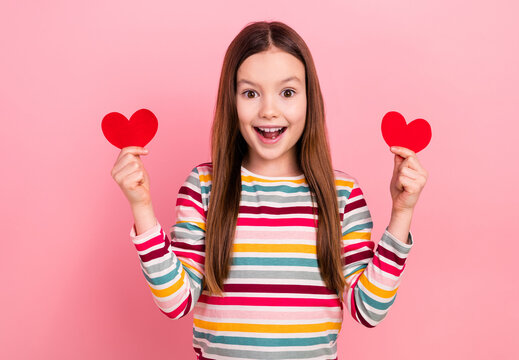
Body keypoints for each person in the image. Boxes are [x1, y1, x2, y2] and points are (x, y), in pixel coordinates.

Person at [111, 20, 428, 360]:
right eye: (250, 93)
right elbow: (176, 303)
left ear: (310, 99)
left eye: (287, 93)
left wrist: (402, 213)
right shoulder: (204, 186)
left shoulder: (342, 194)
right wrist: (141, 207)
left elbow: (368, 309)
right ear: (231, 101)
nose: (269, 110)